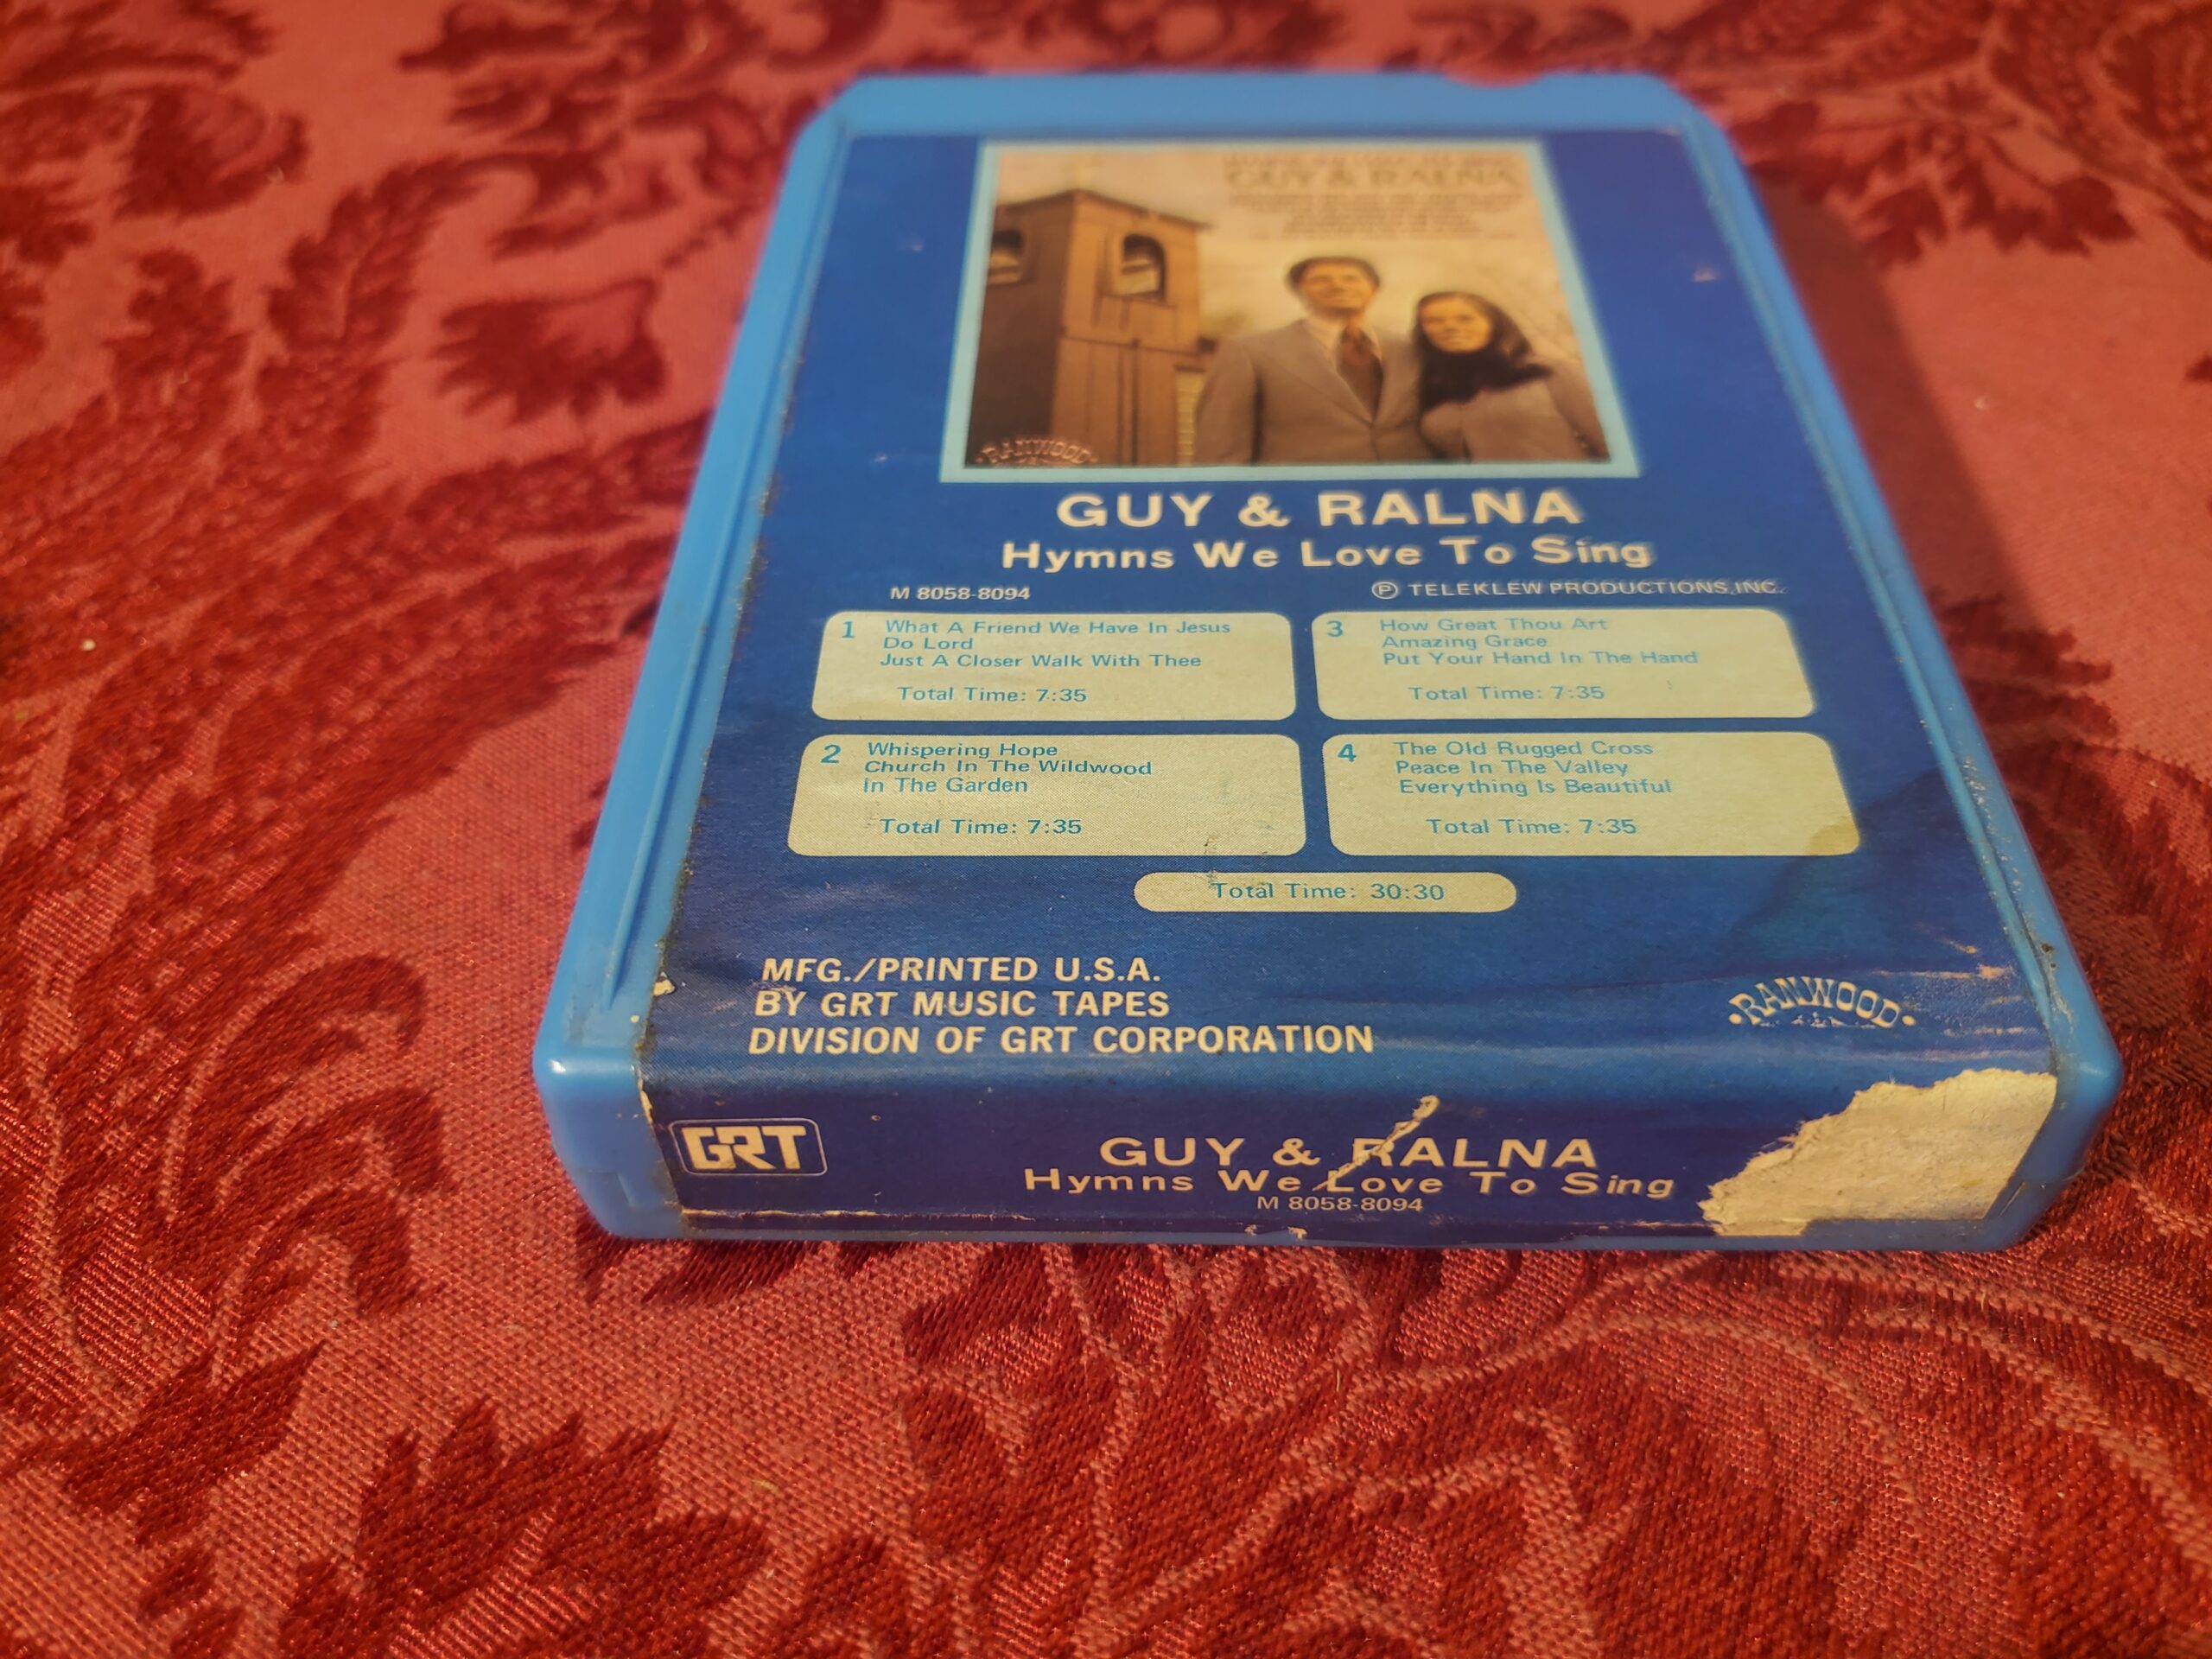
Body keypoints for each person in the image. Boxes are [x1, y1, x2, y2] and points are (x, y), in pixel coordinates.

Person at [1192, 257, 1427, 465]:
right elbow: (1220, 440)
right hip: (1301, 493)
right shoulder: (1250, 351)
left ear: (1373, 289)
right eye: (1321, 279)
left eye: (1352, 278)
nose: (1338, 285)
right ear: (1299, 290)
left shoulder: (1411, 349)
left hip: (1408, 491)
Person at [1411, 291, 1607, 462]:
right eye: (1433, 321)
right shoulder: (1432, 386)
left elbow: (1607, 443)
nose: (1449, 327)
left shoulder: (1551, 371)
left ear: (1494, 325)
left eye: (1465, 318)